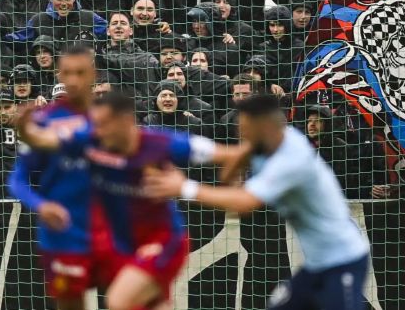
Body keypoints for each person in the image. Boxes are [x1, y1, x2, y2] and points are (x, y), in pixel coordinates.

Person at [17, 90, 252, 310]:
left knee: (119, 301)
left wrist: (200, 183)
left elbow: (230, 153)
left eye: (104, 124)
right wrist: (25, 126)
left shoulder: (160, 143)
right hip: (125, 241)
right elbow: (44, 140)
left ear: (126, 120)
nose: (97, 131)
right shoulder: (92, 141)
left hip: (163, 240)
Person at [143, 93, 370, 310]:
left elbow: (245, 203)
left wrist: (184, 187)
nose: (241, 133)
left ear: (263, 126)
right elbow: (232, 162)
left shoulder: (290, 159)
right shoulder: (276, 140)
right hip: (317, 263)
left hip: (343, 258)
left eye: (245, 128)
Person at [6, 45, 105, 310]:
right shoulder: (40, 122)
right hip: (63, 233)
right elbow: (16, 179)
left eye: (81, 73)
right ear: (59, 75)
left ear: (93, 75)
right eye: (67, 73)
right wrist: (40, 205)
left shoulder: (108, 119)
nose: (73, 80)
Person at [13, 0, 107, 47]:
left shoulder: (88, 17)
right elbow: (18, 38)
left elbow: (109, 31)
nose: (63, 3)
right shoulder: (39, 20)